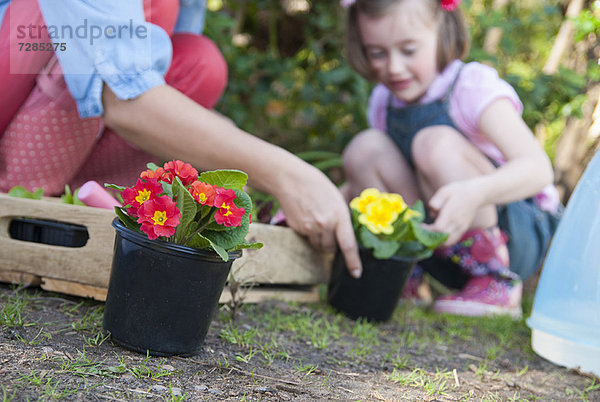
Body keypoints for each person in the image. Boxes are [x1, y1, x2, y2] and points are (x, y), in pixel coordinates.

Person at [0, 0, 362, 276]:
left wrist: (228, 164)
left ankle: (82, 202)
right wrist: (288, 176)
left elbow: (161, 87)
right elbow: (123, 97)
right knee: (95, 30)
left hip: (68, 131)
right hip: (17, 70)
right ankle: (23, 199)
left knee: (199, 62)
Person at [340, 0, 561, 317]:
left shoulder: (470, 86)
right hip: (439, 241)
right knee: (365, 148)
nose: (394, 67)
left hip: (515, 234)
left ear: (441, 32)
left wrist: (474, 194)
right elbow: (380, 178)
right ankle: (402, 272)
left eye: (409, 50)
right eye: (377, 52)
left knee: (433, 143)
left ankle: (494, 280)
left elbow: (538, 169)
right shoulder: (383, 101)